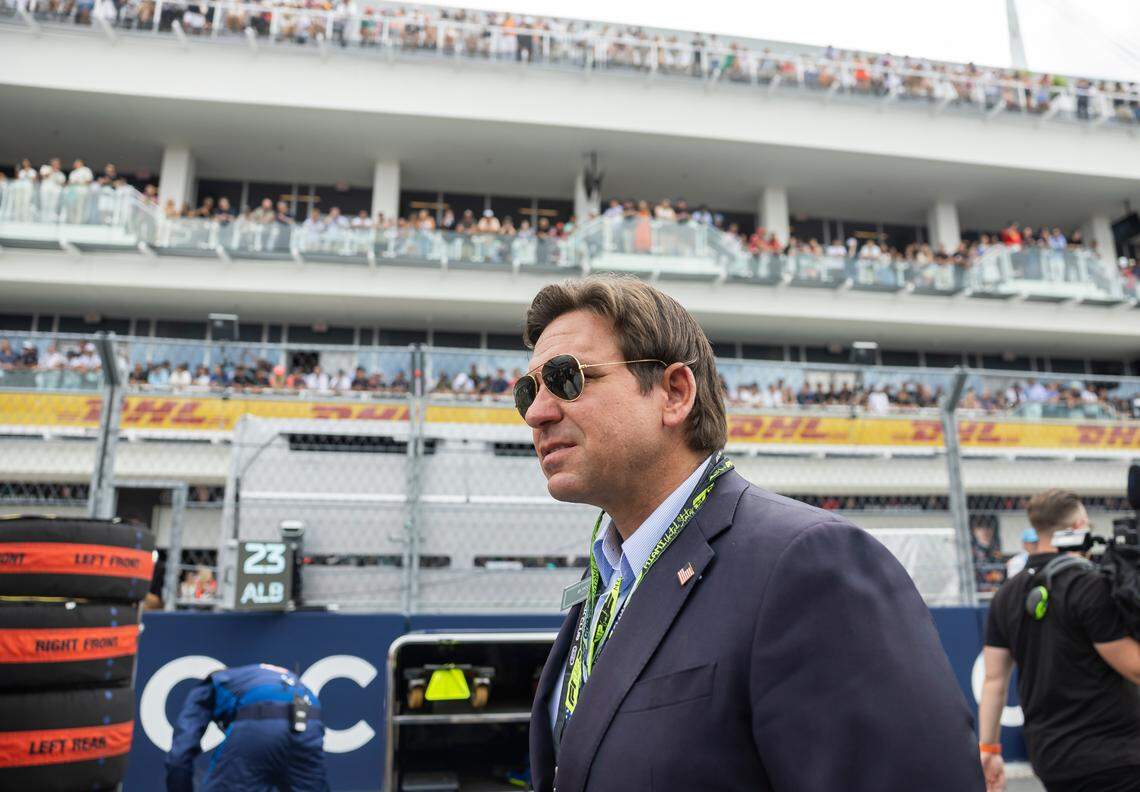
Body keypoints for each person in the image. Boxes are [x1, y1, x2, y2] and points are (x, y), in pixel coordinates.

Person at [522, 275, 983, 792]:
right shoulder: (606, 586)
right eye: (527, 390)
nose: (537, 413)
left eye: (566, 379)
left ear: (675, 393)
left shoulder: (810, 564)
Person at [978, 489, 1140, 792]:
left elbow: (994, 680)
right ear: (1079, 527)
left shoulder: (1008, 594)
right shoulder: (1089, 586)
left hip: (1052, 759)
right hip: (1116, 756)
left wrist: (988, 750)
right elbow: (1134, 667)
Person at [166, 663, 329, 792]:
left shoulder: (213, 684)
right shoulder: (260, 677)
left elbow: (180, 755)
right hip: (309, 718)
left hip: (260, 719)